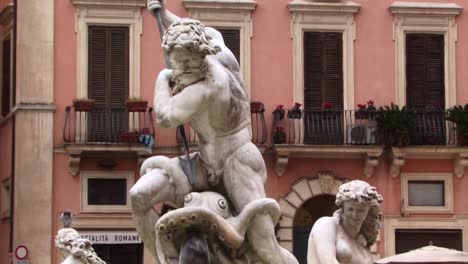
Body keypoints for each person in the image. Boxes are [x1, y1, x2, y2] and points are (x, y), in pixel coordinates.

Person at [129, 1, 298, 263]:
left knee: (265, 249)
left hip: (237, 162)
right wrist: (163, 15)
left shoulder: (209, 88)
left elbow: (164, 116)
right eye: (175, 63)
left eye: (186, 63)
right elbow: (187, 29)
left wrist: (163, 78)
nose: (180, 71)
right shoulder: (216, 45)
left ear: (200, 58)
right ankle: (169, 258)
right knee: (139, 196)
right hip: (201, 164)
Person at [307, 180, 383, 264]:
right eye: (350, 209)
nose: (355, 215)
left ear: (368, 211)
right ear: (342, 207)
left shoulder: (362, 242)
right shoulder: (326, 224)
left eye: (361, 210)